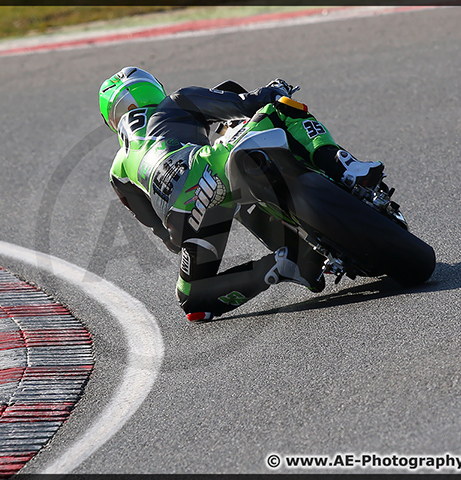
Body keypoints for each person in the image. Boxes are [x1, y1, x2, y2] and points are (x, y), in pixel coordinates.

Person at [99, 66, 384, 322]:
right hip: (207, 166)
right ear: (151, 88)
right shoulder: (176, 102)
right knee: (280, 109)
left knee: (192, 299)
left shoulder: (118, 169)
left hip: (183, 218)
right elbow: (248, 103)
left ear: (111, 117)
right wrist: (275, 90)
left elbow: (164, 236)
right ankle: (344, 166)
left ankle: (286, 262)